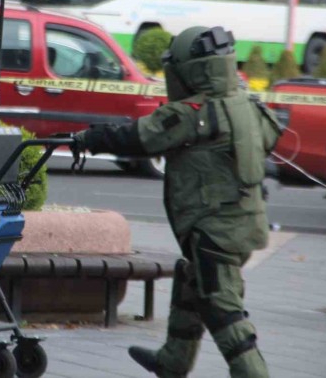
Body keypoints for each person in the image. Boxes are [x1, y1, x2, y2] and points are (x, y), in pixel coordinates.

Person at [67, 26, 282, 378]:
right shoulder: (246, 103)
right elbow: (272, 138)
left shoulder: (193, 112)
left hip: (215, 228)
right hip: (245, 220)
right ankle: (173, 361)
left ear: (189, 70)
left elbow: (141, 136)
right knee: (191, 281)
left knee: (221, 307)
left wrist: (90, 138)